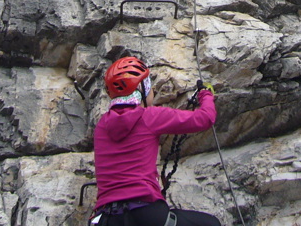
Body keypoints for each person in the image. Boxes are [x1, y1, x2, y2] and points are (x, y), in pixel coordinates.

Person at [92, 56, 222, 226]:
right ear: (141, 88)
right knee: (210, 224)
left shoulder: (101, 126)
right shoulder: (150, 116)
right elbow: (205, 118)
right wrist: (206, 95)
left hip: (106, 218)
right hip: (145, 213)